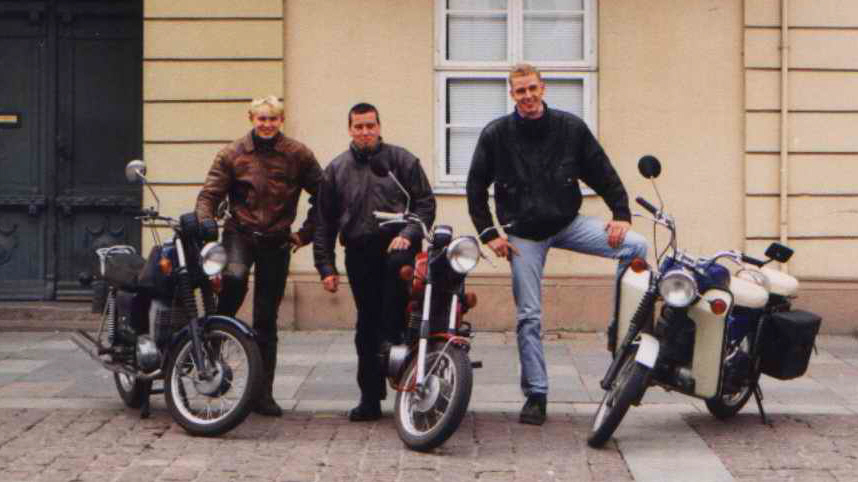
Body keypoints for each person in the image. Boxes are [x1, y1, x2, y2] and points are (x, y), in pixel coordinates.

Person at [466, 64, 648, 426]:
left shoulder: (570, 128)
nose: (528, 96)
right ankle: (536, 394)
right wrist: (489, 234)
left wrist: (621, 214)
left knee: (636, 246)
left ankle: (622, 332)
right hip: (524, 234)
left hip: (568, 223)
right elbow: (475, 188)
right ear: (512, 95)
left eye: (532, 88)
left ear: (543, 88)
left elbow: (603, 173)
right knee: (528, 316)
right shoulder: (496, 135)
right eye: (520, 91)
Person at [195, 95, 323, 417]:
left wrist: (305, 233)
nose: (267, 124)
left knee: (266, 318)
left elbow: (325, 196)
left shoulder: (298, 154)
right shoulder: (232, 153)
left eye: (273, 119)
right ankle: (210, 359)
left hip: (276, 241)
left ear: (281, 120)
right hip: (239, 235)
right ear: (251, 118)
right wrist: (206, 223)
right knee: (233, 285)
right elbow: (209, 195)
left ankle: (262, 394)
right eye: (261, 119)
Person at [314, 103, 436, 422]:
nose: (365, 132)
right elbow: (324, 222)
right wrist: (325, 266)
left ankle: (413, 389)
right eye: (359, 127)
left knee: (400, 321)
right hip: (359, 252)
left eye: (370, 126)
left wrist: (409, 233)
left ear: (379, 126)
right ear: (350, 129)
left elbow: (425, 203)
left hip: (399, 251)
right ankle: (369, 398)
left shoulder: (402, 161)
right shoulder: (336, 169)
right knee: (366, 325)